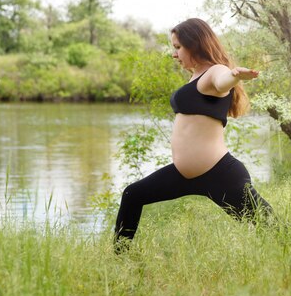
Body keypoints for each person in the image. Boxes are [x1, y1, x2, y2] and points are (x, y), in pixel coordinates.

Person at [113, 18, 273, 251]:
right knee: (132, 194)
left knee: (271, 226)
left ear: (195, 44)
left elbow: (222, 82)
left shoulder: (214, 71)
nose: (174, 54)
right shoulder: (196, 75)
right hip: (186, 174)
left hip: (220, 174)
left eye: (178, 47)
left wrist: (235, 76)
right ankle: (120, 259)